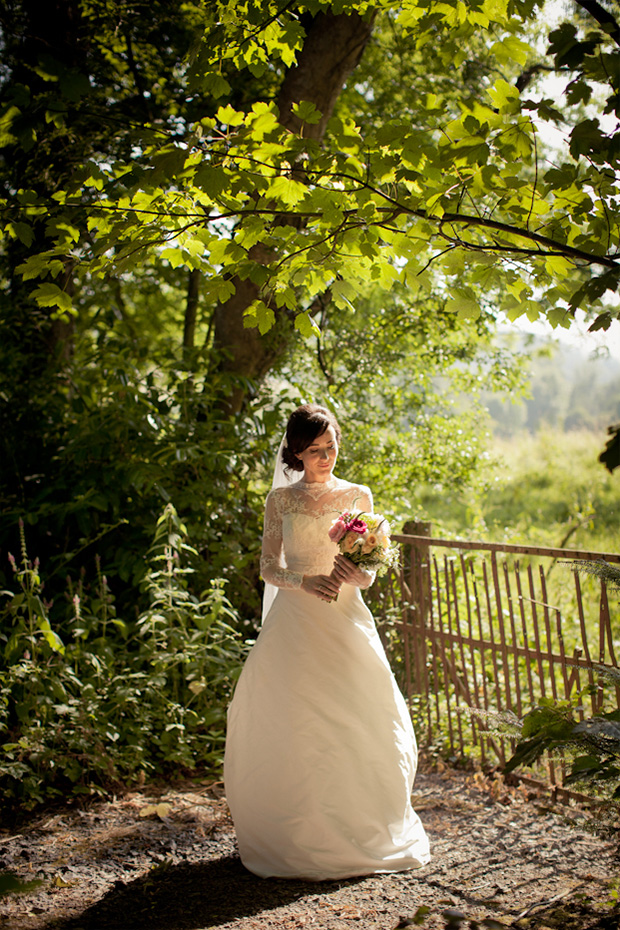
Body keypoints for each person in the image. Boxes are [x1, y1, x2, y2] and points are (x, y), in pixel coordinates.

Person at [224, 404, 430, 880]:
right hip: (295, 620)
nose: (326, 457)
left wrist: (357, 571)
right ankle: (293, 835)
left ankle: (363, 830)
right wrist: (303, 581)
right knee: (292, 722)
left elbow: (371, 575)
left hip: (345, 620)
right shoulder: (281, 502)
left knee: (359, 719)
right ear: (296, 453)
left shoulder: (358, 495)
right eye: (315, 450)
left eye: (331, 446)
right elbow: (268, 567)